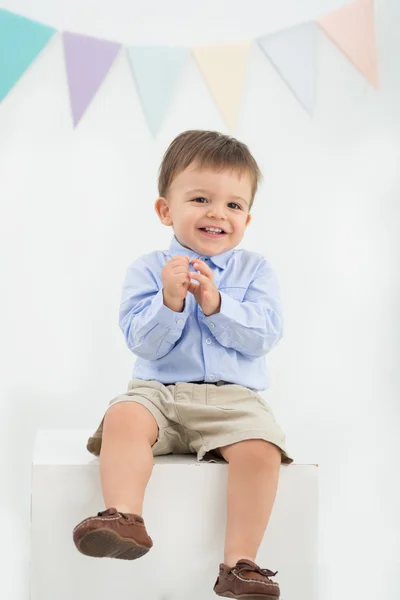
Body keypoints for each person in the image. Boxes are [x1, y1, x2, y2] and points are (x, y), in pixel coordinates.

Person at [73, 129, 293, 599]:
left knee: (262, 450)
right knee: (123, 416)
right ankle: (124, 516)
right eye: (200, 198)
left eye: (233, 205)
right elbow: (141, 342)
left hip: (233, 399)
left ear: (247, 219)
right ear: (165, 210)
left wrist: (216, 304)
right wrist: (169, 302)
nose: (217, 212)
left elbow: (264, 336)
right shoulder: (148, 269)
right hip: (160, 393)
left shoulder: (256, 272)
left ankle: (239, 563)